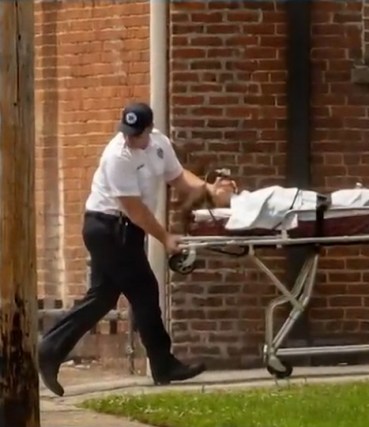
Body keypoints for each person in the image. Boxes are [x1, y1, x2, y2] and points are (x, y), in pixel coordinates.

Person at [38, 102, 237, 396]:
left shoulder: (160, 145)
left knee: (103, 297)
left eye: (136, 134)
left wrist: (209, 190)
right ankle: (163, 363)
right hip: (108, 227)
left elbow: (178, 177)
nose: (129, 138)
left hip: (123, 230)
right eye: (126, 132)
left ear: (149, 130)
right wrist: (165, 238)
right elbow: (135, 210)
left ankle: (50, 349)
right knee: (144, 290)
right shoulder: (116, 156)